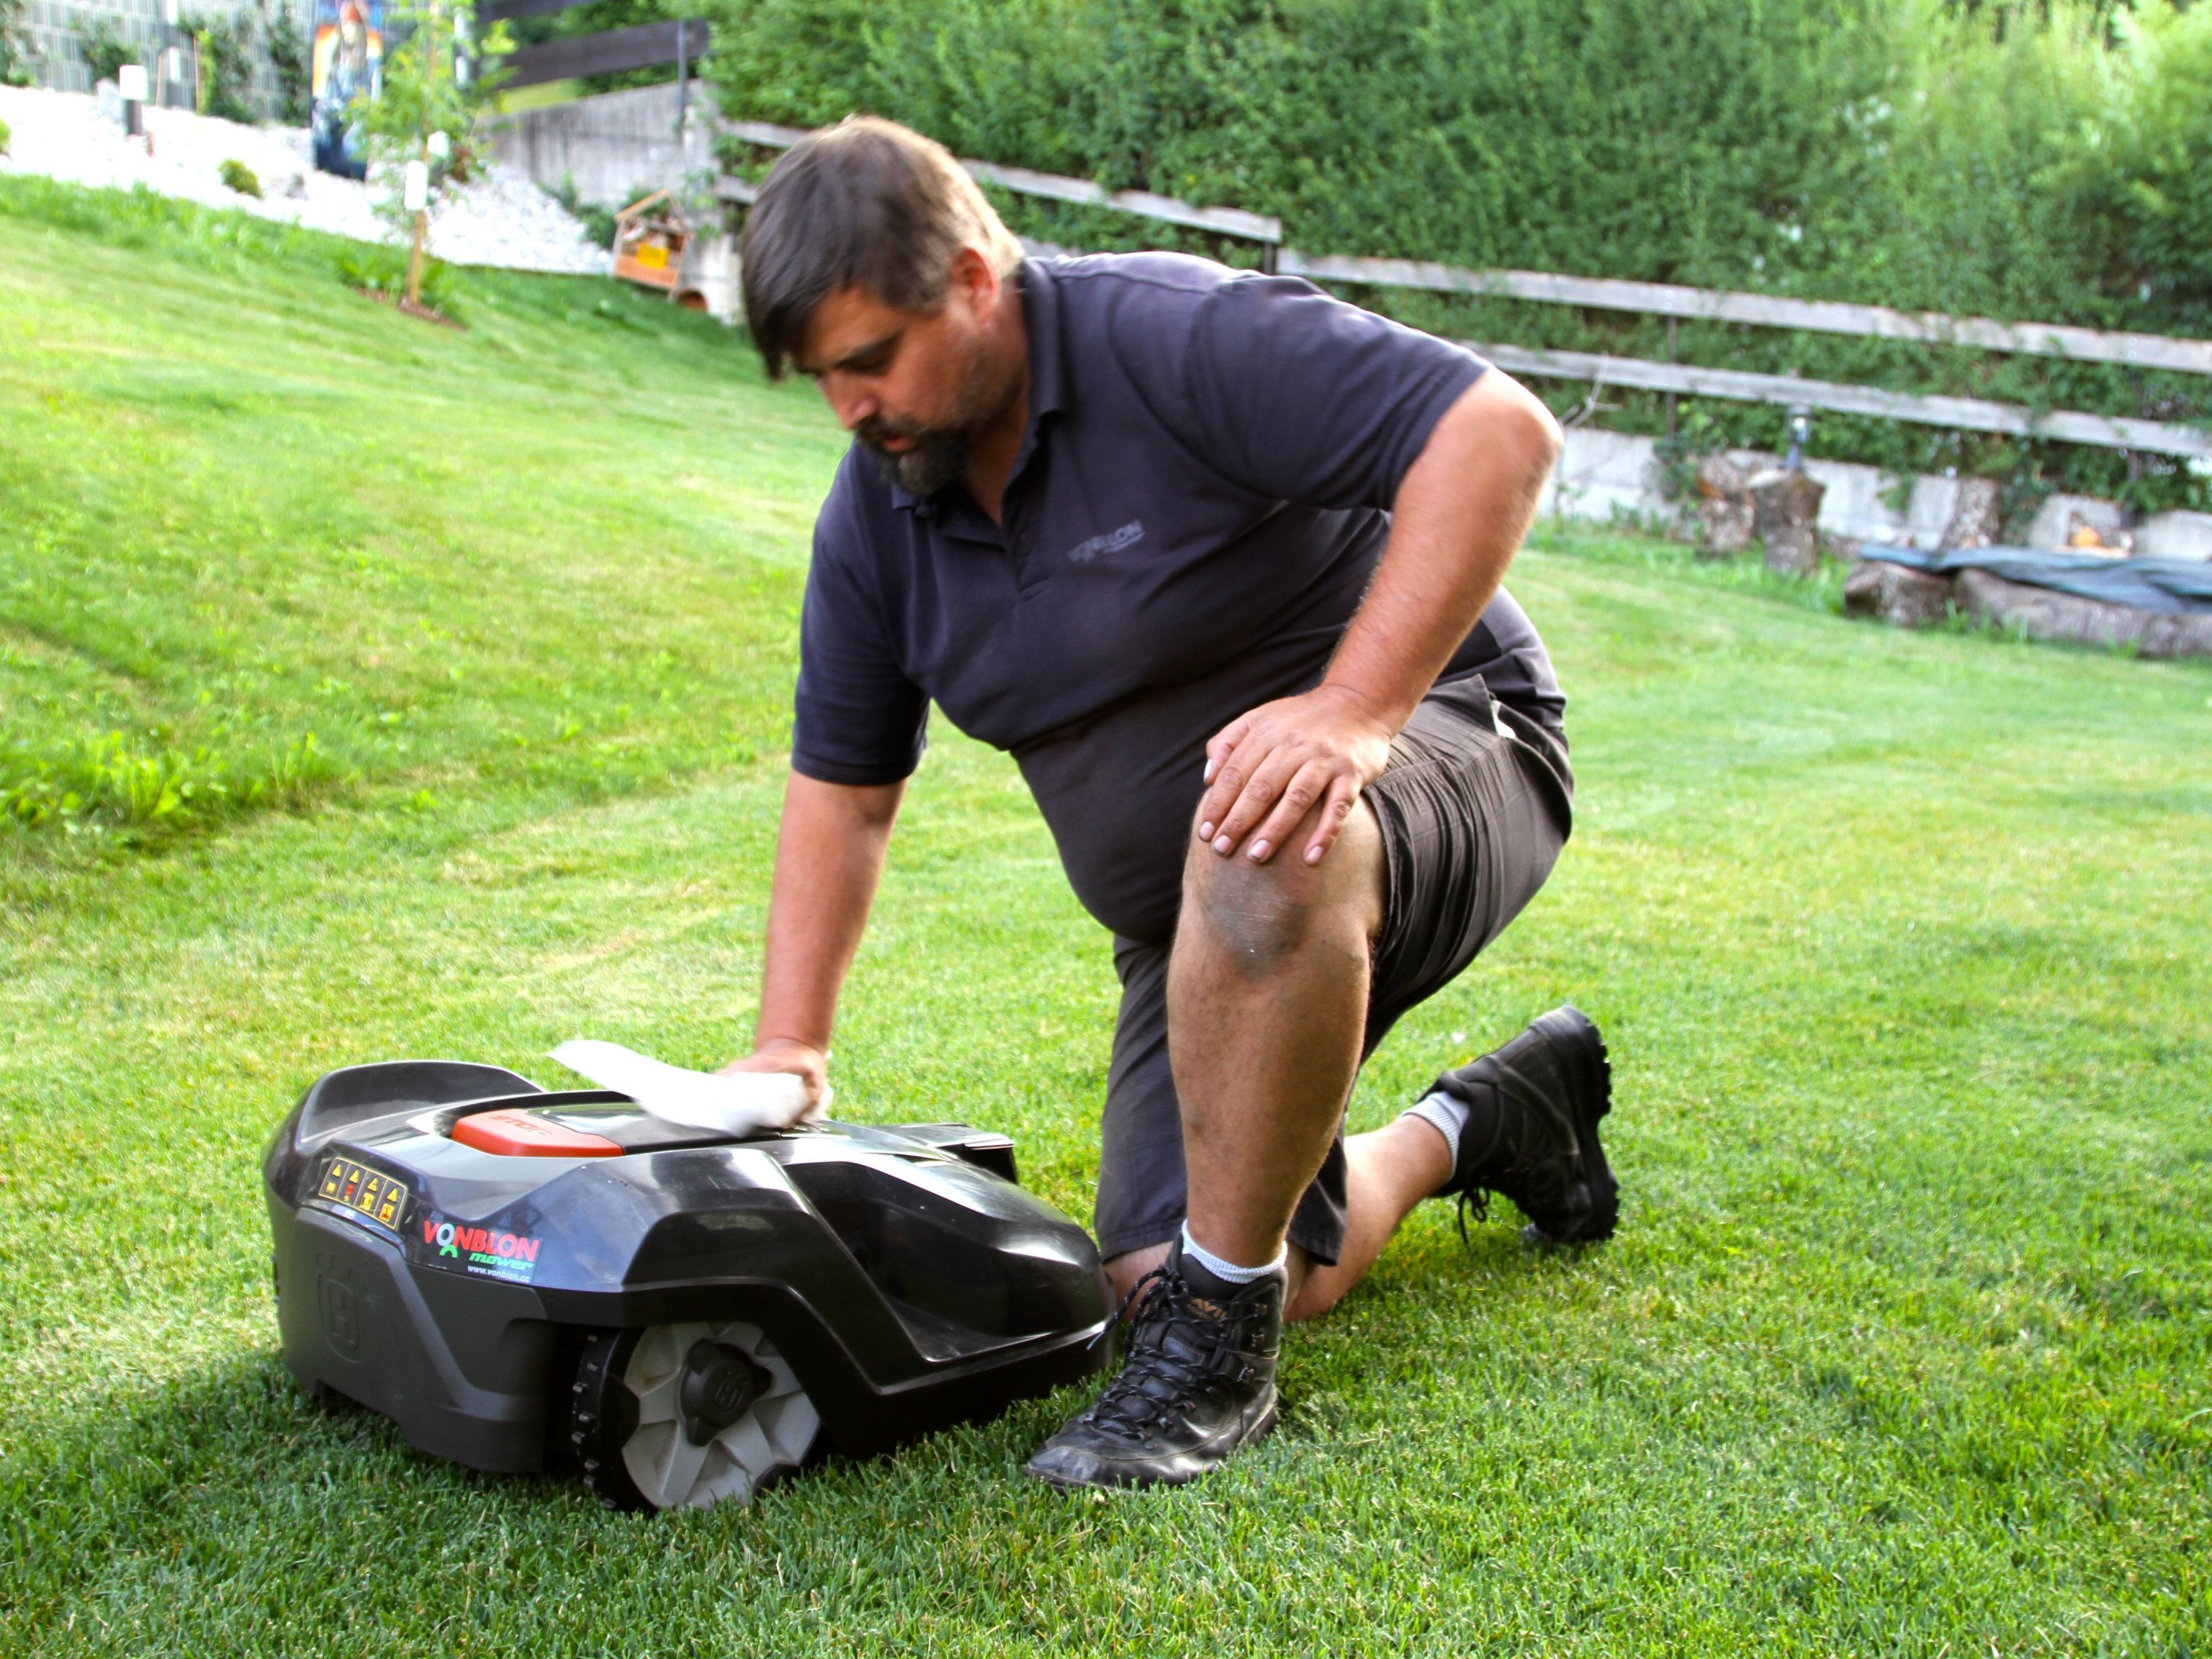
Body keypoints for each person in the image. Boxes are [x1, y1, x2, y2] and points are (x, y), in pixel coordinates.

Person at [721, 116, 1619, 1491]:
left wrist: (1353, 711)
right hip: (1205, 918)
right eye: (825, 380)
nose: (852, 408)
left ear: (972, 281)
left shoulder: (1167, 337)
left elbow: (1494, 434)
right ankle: (1487, 1122)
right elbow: (844, 795)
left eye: (868, 361)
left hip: (1450, 745)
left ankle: (1218, 1373)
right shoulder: (880, 518)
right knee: (1168, 1272)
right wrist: (790, 1045)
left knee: (1252, 882)